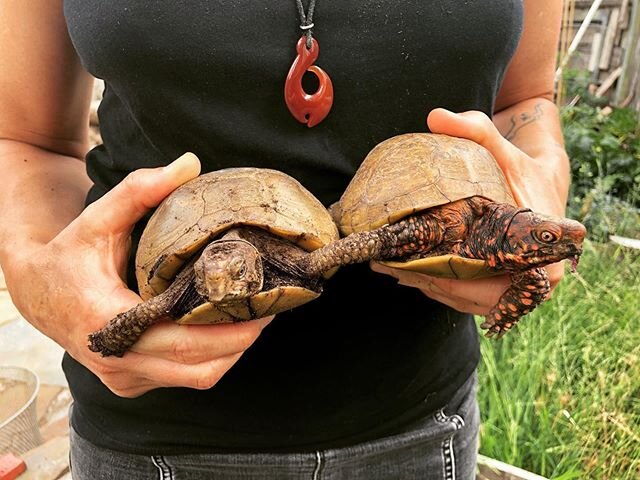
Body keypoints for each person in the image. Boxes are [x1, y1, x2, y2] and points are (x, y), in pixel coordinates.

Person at [0, 1, 570, 478]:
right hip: (151, 436)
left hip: (421, 419)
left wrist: (542, 198)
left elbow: (528, 100)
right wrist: (37, 274)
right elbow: (25, 136)